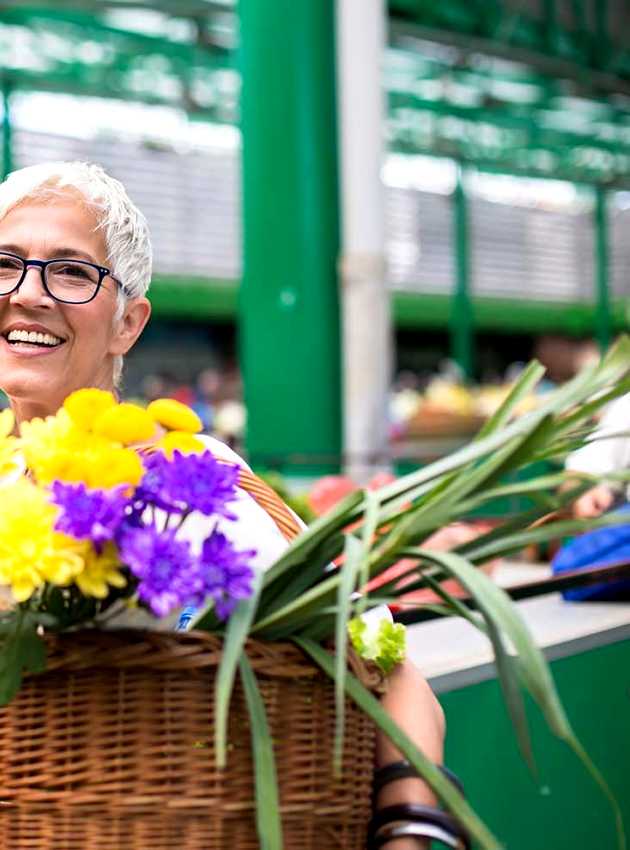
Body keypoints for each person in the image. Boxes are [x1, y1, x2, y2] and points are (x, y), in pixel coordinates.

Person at [0, 161, 455, 848]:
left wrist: (412, 831)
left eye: (70, 271)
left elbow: (387, 671)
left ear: (129, 322)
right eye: (6, 263)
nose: (28, 294)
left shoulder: (192, 485)